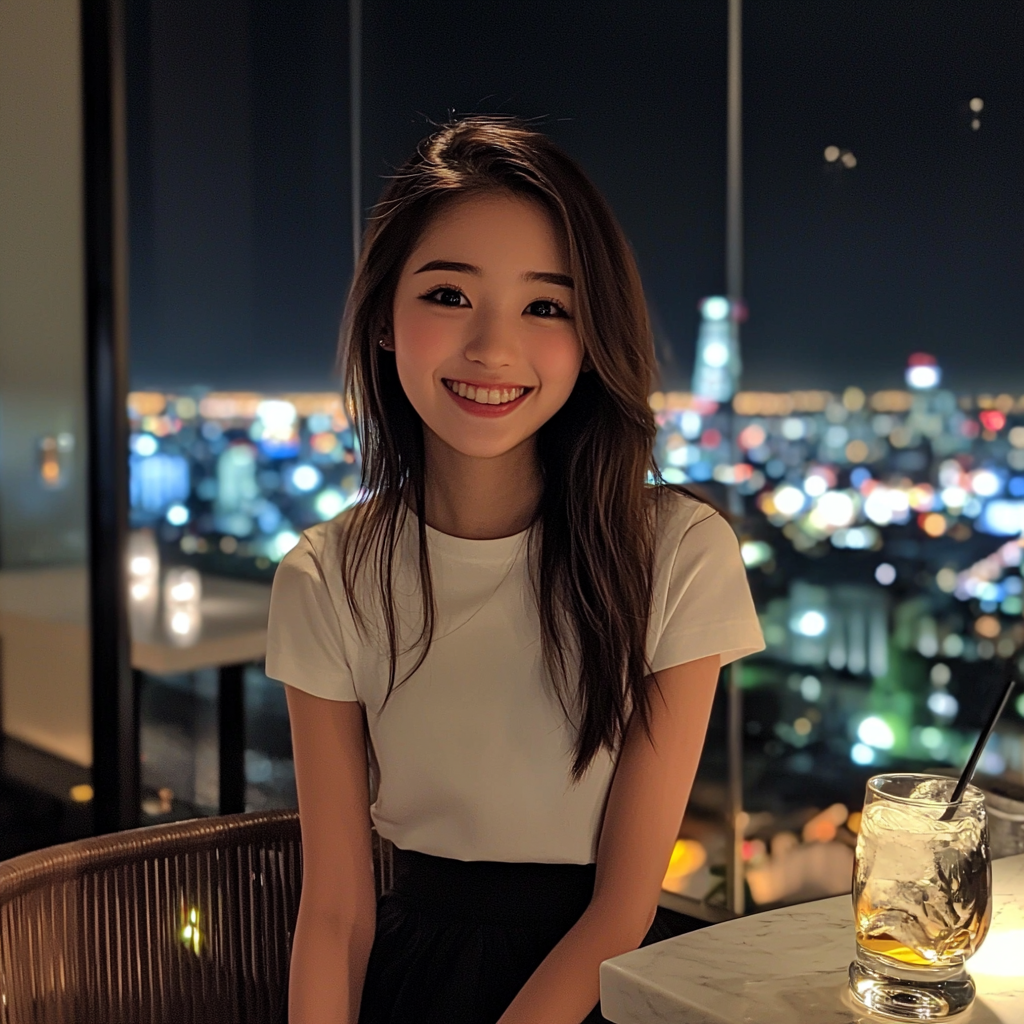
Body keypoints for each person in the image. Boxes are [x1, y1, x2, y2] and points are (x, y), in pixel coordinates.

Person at [266, 115, 764, 1024]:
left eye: (546, 306)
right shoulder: (325, 575)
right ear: (384, 317)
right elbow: (335, 910)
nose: (493, 348)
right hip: (415, 985)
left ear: (591, 334)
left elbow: (622, 906)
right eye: (449, 296)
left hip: (602, 990)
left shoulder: (677, 552)